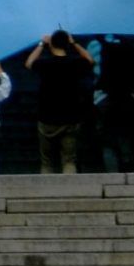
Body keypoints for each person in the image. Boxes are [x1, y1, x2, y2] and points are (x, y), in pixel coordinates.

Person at [25, 31, 93, 174]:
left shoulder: (45, 64)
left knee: (47, 161)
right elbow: (90, 60)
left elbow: (29, 62)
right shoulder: (75, 63)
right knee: (69, 160)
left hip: (47, 117)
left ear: (51, 44)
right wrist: (74, 43)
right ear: (67, 44)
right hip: (71, 117)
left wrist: (41, 44)